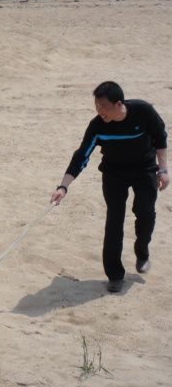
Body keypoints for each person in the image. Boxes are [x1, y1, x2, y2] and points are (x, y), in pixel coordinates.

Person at [51, 81, 168, 293]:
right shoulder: (97, 125)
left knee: (145, 213)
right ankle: (114, 275)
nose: (100, 111)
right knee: (114, 220)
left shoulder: (143, 111)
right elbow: (81, 156)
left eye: (103, 107)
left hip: (145, 169)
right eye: (96, 106)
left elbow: (160, 138)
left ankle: (142, 252)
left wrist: (164, 170)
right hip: (114, 173)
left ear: (118, 104)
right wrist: (63, 187)